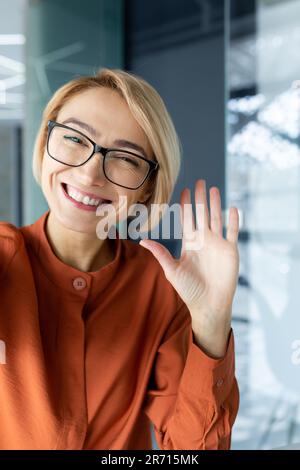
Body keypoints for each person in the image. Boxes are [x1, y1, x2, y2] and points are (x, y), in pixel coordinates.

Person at [0, 68, 240, 450]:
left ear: (147, 189)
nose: (90, 172)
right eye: (75, 139)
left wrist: (210, 323)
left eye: (126, 158)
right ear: (46, 139)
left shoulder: (162, 288)